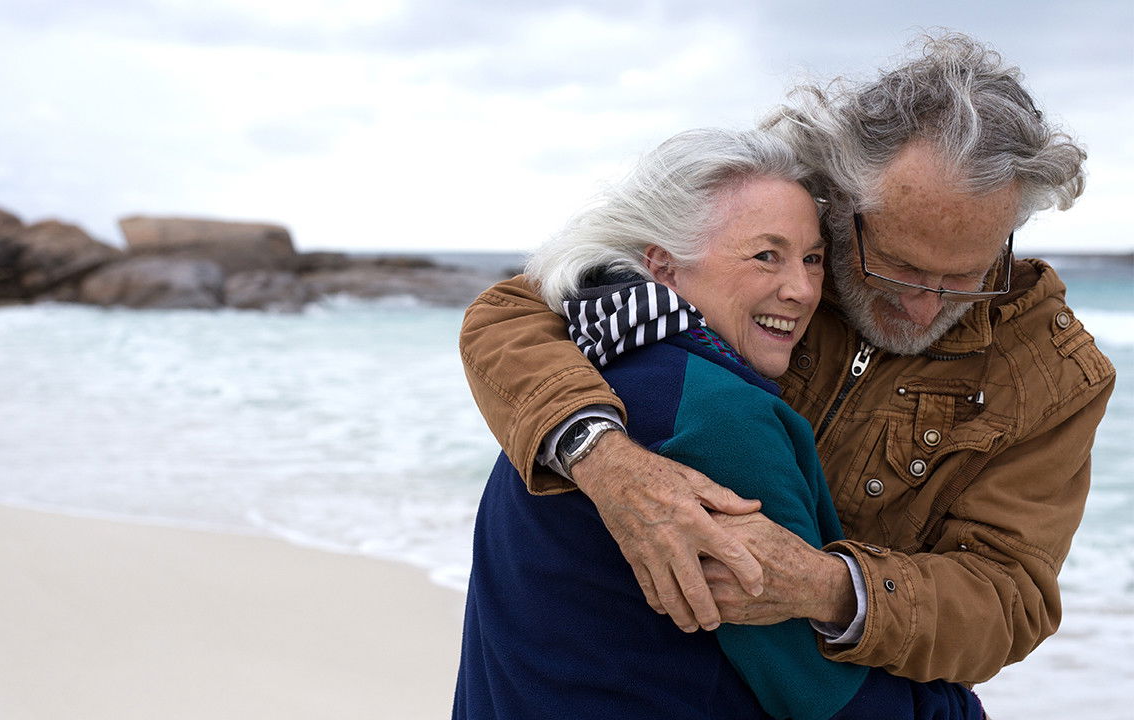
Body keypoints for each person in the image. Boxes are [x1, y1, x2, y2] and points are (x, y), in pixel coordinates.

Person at [457, 32, 1115, 685]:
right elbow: (513, 313)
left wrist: (831, 589)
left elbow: (1011, 597)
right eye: (899, 267)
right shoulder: (783, 239)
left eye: (965, 278)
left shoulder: (1056, 376)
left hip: (842, 683)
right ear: (842, 202)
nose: (923, 307)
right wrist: (605, 460)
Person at [454, 128, 983, 719]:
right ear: (664, 266)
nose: (802, 289)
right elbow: (823, 699)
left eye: (812, 259)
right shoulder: (716, 417)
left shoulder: (578, 377)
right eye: (766, 256)